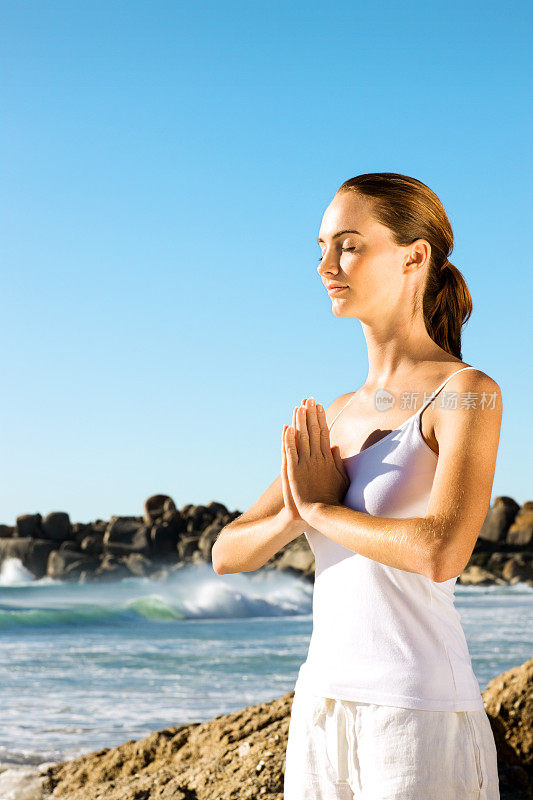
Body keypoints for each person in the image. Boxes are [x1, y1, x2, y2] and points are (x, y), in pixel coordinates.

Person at [211, 172, 502, 799]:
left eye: (348, 243)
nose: (326, 264)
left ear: (414, 256)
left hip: (416, 711)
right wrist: (296, 514)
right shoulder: (339, 413)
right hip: (320, 704)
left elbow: (441, 551)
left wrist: (318, 506)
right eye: (320, 247)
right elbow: (226, 553)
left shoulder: (467, 395)